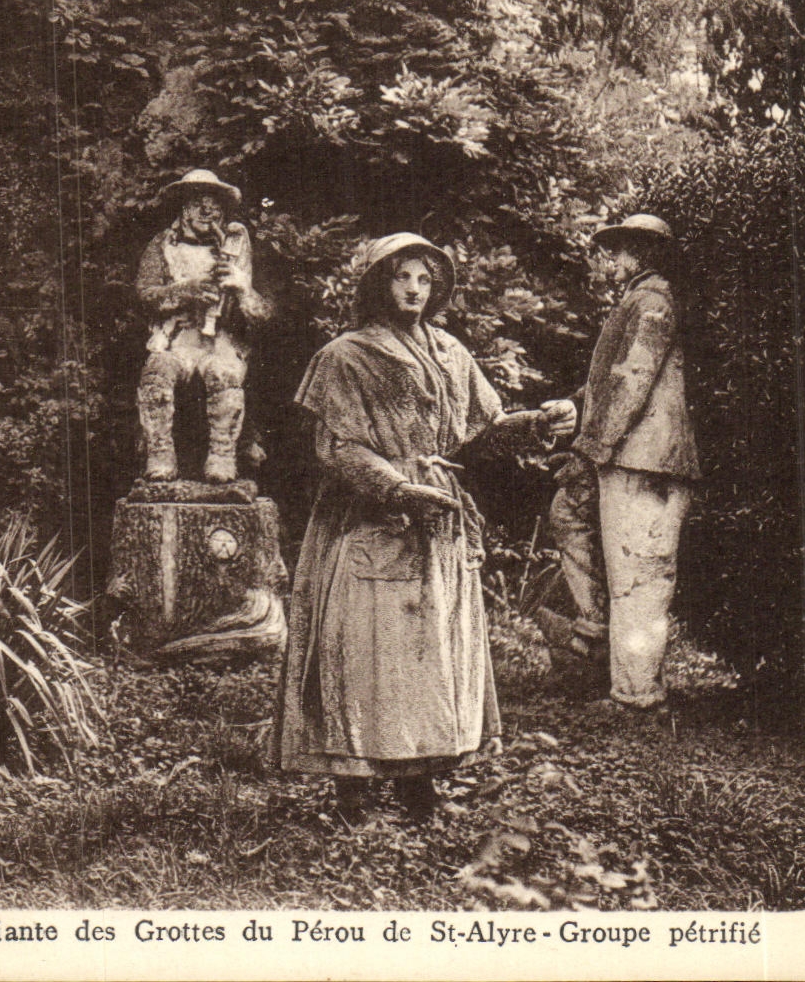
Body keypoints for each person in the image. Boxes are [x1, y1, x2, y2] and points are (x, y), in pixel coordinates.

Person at [273, 233, 576, 823]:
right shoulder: (346, 355)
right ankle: (353, 791)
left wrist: (542, 419)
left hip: (438, 517)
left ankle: (421, 783)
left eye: (425, 280)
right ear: (377, 283)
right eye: (401, 277)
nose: (414, 289)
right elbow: (337, 447)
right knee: (365, 652)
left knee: (431, 650)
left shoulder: (448, 352)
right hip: (369, 519)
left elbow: (485, 429)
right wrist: (397, 488)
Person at [538, 214, 698, 711]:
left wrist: (591, 449)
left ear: (644, 252)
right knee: (568, 516)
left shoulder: (652, 300)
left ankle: (637, 697)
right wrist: (576, 406)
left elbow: (633, 379)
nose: (613, 258)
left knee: (641, 578)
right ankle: (593, 629)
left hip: (647, 462)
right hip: (631, 457)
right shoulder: (640, 297)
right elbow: (613, 381)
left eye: (622, 249)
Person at [136, 169, 271, 483]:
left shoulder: (237, 248)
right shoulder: (162, 245)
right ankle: (159, 453)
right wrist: (186, 291)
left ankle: (223, 456)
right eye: (198, 203)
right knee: (157, 372)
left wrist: (241, 287)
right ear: (184, 208)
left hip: (220, 341)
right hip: (177, 338)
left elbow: (263, 314)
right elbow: (145, 294)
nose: (206, 211)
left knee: (223, 375)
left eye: (213, 204)